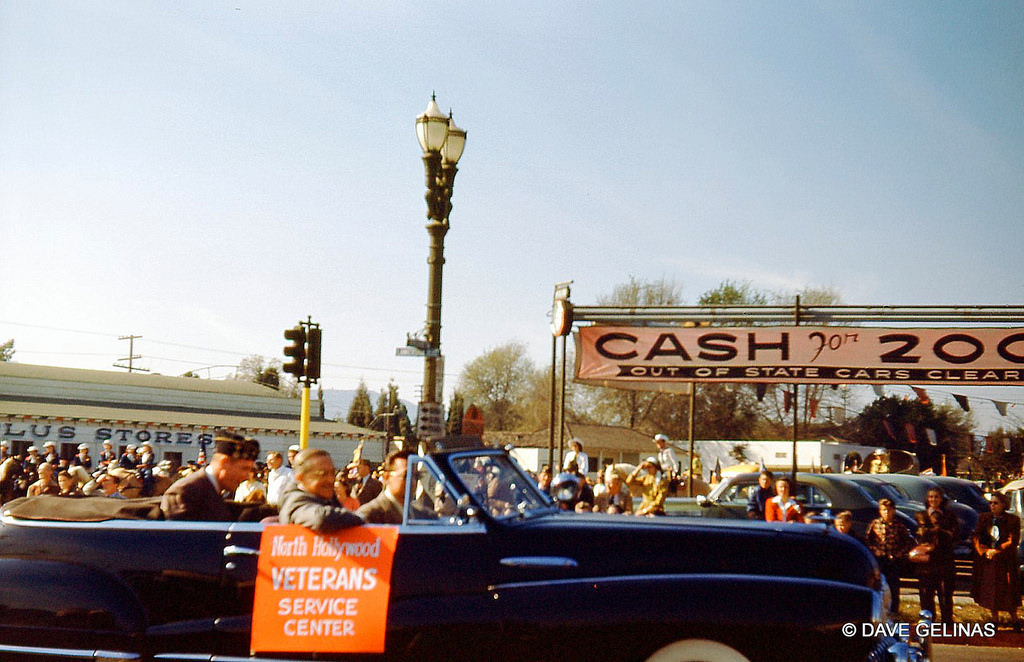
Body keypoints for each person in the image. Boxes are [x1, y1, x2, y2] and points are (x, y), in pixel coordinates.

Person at [160, 433, 260, 521]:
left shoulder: (207, 489)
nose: (247, 476)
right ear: (224, 462)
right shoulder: (186, 492)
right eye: (244, 468)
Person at [279, 448, 364, 533]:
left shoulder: (327, 497)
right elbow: (320, 518)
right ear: (300, 478)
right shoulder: (295, 501)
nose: (330, 480)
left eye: (332, 473)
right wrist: (361, 517)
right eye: (322, 474)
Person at [971, 491, 1021, 629]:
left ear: (1003, 504)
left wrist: (998, 551)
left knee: (1008, 591)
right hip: (989, 560)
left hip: (1005, 562)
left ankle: (1015, 619)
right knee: (990, 591)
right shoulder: (984, 518)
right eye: (991, 503)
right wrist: (985, 550)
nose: (992, 506)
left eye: (996, 503)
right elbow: (977, 536)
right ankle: (994, 619)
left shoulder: (1012, 520)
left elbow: (1012, 540)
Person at [865, 498, 916, 615]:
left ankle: (893, 612)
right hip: (879, 560)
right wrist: (875, 551)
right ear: (880, 511)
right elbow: (868, 541)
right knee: (878, 586)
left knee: (893, 587)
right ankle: (877, 611)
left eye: (889, 510)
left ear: (893, 511)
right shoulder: (875, 524)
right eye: (884, 510)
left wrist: (899, 553)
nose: (886, 513)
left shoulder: (899, 526)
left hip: (893, 561)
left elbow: (908, 542)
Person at [923, 487, 959, 623]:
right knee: (927, 594)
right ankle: (928, 622)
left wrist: (941, 531)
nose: (933, 500)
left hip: (945, 559)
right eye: (931, 497)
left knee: (945, 593)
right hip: (927, 561)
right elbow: (919, 534)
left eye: (936, 497)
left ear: (941, 499)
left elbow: (955, 534)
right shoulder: (922, 515)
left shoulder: (949, 515)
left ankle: (947, 621)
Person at [357, 450, 411, 524]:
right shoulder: (368, 514)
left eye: (416, 476)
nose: (412, 481)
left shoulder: (422, 515)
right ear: (387, 477)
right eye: (406, 476)